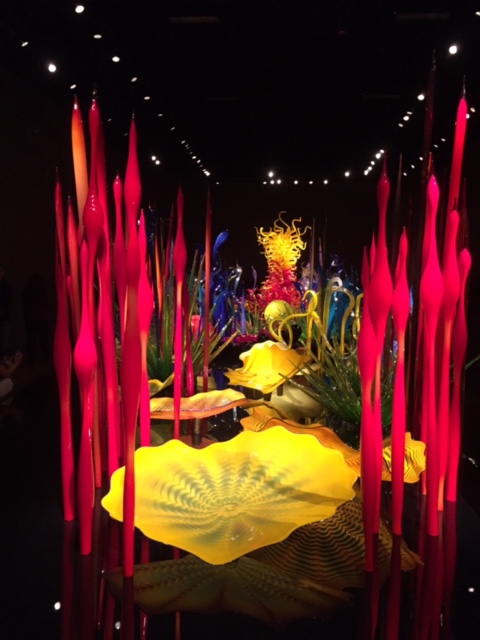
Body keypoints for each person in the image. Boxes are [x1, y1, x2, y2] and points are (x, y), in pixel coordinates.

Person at [0, 262, 13, 360]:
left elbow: (9, 302)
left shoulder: (6, 286)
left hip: (4, 318)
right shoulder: (6, 286)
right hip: (4, 318)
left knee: (4, 342)